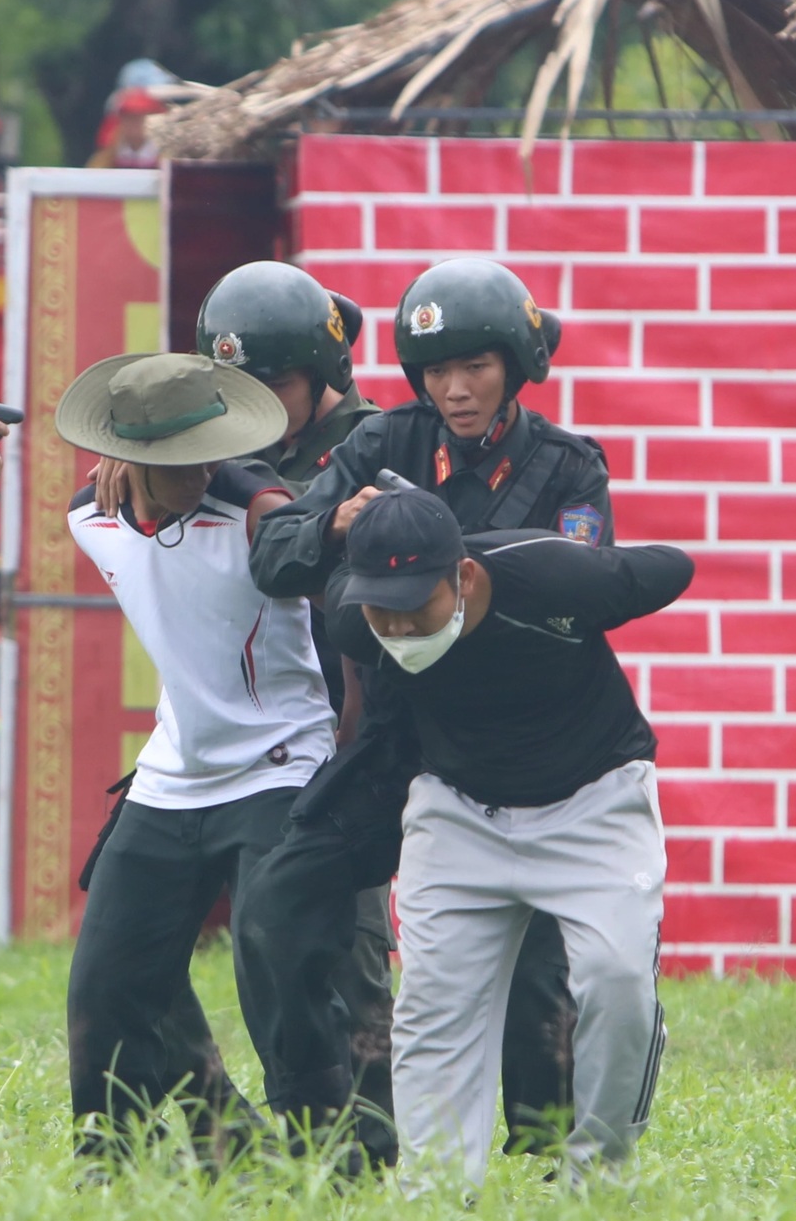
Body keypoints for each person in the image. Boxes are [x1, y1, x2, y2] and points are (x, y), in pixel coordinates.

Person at [242, 258, 614, 1157]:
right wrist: (339, 523)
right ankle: (327, 1125)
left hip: (518, 746)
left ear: (517, 363)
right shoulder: (383, 445)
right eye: (436, 370)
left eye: (476, 366)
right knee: (276, 913)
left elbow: (586, 592)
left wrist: (432, 550)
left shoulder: (569, 466)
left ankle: (537, 1161)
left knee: (537, 971)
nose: (454, 389)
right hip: (398, 737)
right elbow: (278, 559)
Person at [93, 261, 396, 1160]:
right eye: (239, 385)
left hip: (356, 728)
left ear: (320, 373)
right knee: (137, 963)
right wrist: (141, 445)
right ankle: (235, 1144)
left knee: (340, 956)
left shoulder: (373, 443)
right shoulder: (218, 444)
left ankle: (360, 1161)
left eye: (275, 383)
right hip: (227, 744)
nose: (256, 401)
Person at [327, 488, 692, 1187]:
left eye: (416, 605)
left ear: (462, 576)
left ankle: (599, 1173)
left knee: (619, 988)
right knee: (433, 1005)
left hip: (595, 805)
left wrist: (585, 576)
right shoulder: (355, 621)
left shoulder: (557, 577)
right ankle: (436, 1189)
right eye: (384, 610)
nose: (399, 629)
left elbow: (673, 566)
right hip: (458, 812)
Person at [56, 351, 334, 1166]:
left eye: (202, 454)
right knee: (108, 981)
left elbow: (309, 560)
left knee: (274, 957)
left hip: (282, 760)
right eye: (169, 462)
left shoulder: (259, 509)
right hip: (174, 769)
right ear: (128, 455)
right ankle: (118, 1164)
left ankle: (325, 1157)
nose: (194, 473)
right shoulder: (88, 517)